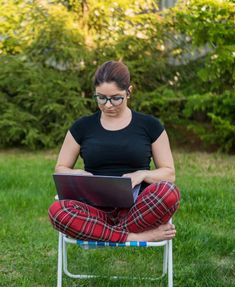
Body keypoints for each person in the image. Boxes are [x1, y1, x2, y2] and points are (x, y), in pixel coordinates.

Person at [48, 60, 180, 243]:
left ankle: (104, 233)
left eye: (116, 98)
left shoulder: (150, 126)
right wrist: (78, 173)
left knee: (169, 192)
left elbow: (169, 174)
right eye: (101, 98)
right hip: (95, 209)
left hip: (138, 209)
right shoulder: (82, 127)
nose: (108, 105)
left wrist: (142, 175)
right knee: (57, 211)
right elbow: (60, 169)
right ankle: (132, 236)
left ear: (129, 92)